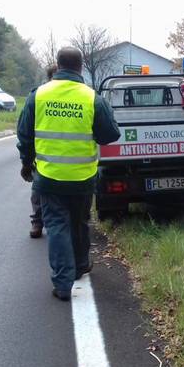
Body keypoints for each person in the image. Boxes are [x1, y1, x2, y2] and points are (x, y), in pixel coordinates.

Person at [17, 47, 121, 301]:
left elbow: (24, 134)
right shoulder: (91, 98)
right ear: (81, 67)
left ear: (58, 65)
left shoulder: (38, 96)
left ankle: (63, 283)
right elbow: (111, 135)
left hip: (50, 178)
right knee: (79, 222)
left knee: (56, 227)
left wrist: (26, 162)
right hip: (83, 179)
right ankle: (81, 264)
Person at [28, 64, 58, 238]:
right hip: (43, 156)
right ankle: (37, 222)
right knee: (37, 192)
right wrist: (27, 159)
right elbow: (26, 130)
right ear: (49, 78)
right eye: (54, 76)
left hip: (69, 158)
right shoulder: (39, 96)